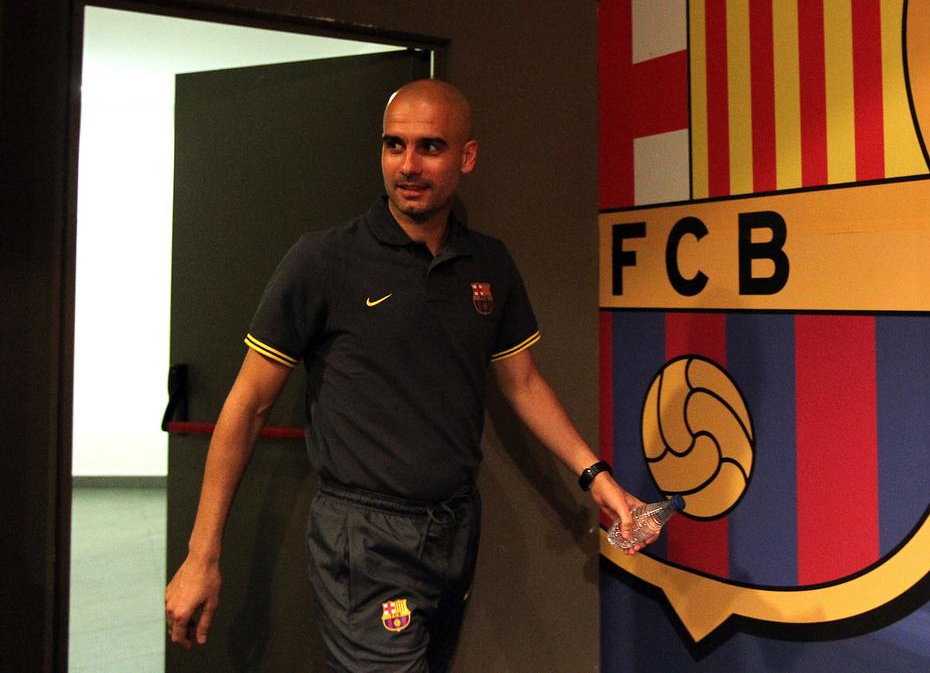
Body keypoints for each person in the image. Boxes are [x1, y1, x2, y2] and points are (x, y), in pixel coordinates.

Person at [164, 79, 649, 671]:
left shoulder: (489, 264)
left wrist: (594, 475)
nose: (408, 165)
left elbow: (522, 383)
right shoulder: (323, 261)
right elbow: (247, 406)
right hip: (362, 536)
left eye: (430, 147)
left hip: (455, 524)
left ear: (467, 156)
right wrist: (201, 553)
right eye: (395, 146)